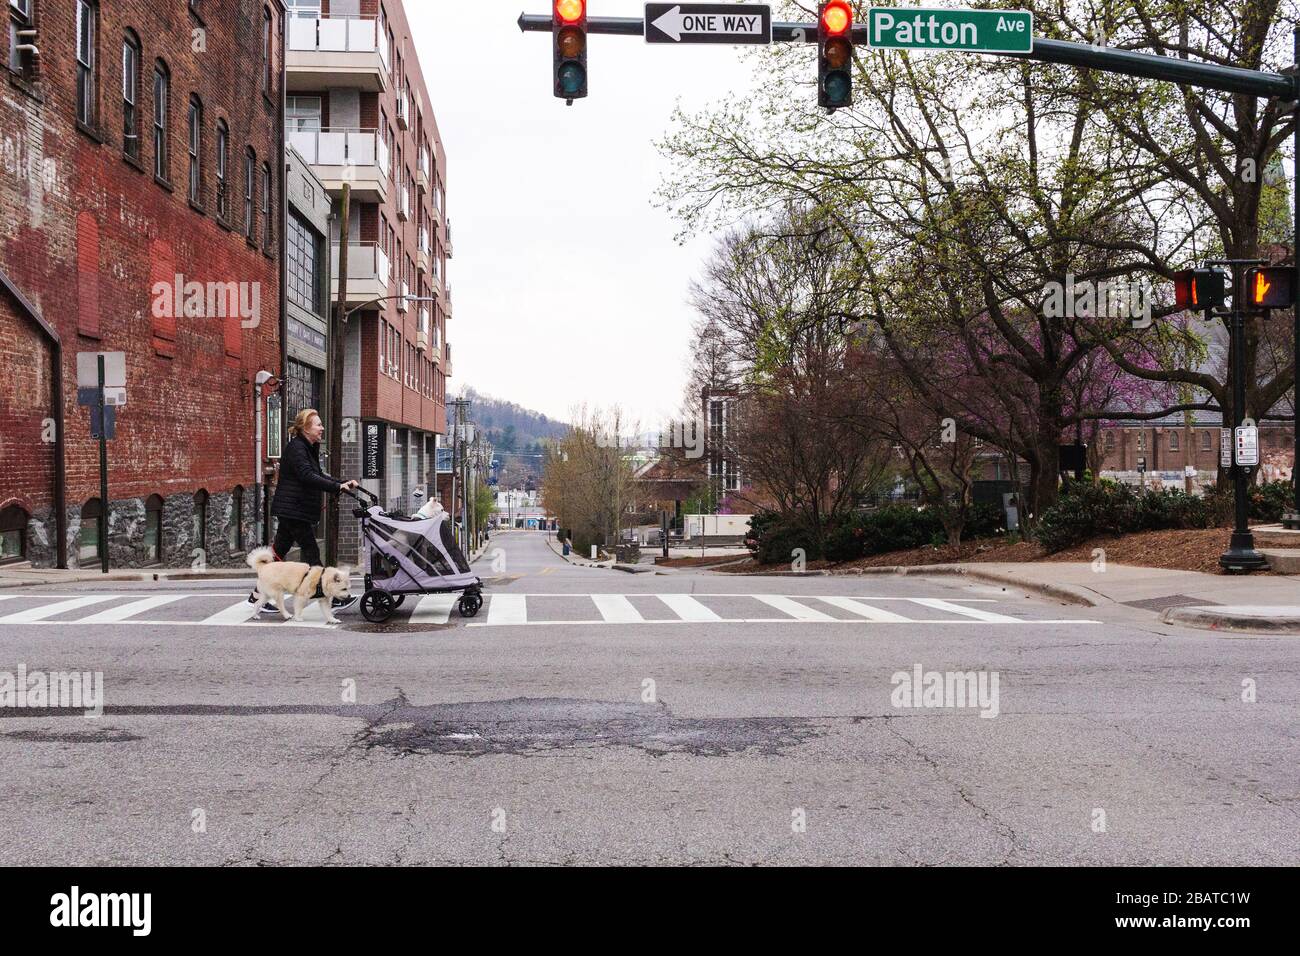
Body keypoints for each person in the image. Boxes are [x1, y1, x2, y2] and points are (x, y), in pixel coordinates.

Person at [247, 408, 360, 614]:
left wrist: (341, 483)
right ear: (306, 428)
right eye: (318, 424)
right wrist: (336, 487)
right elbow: (307, 476)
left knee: (278, 552)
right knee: (312, 552)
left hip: (294, 508)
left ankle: (256, 594)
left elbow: (317, 474)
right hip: (294, 509)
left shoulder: (307, 447)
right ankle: (327, 595)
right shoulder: (297, 448)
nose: (322, 428)